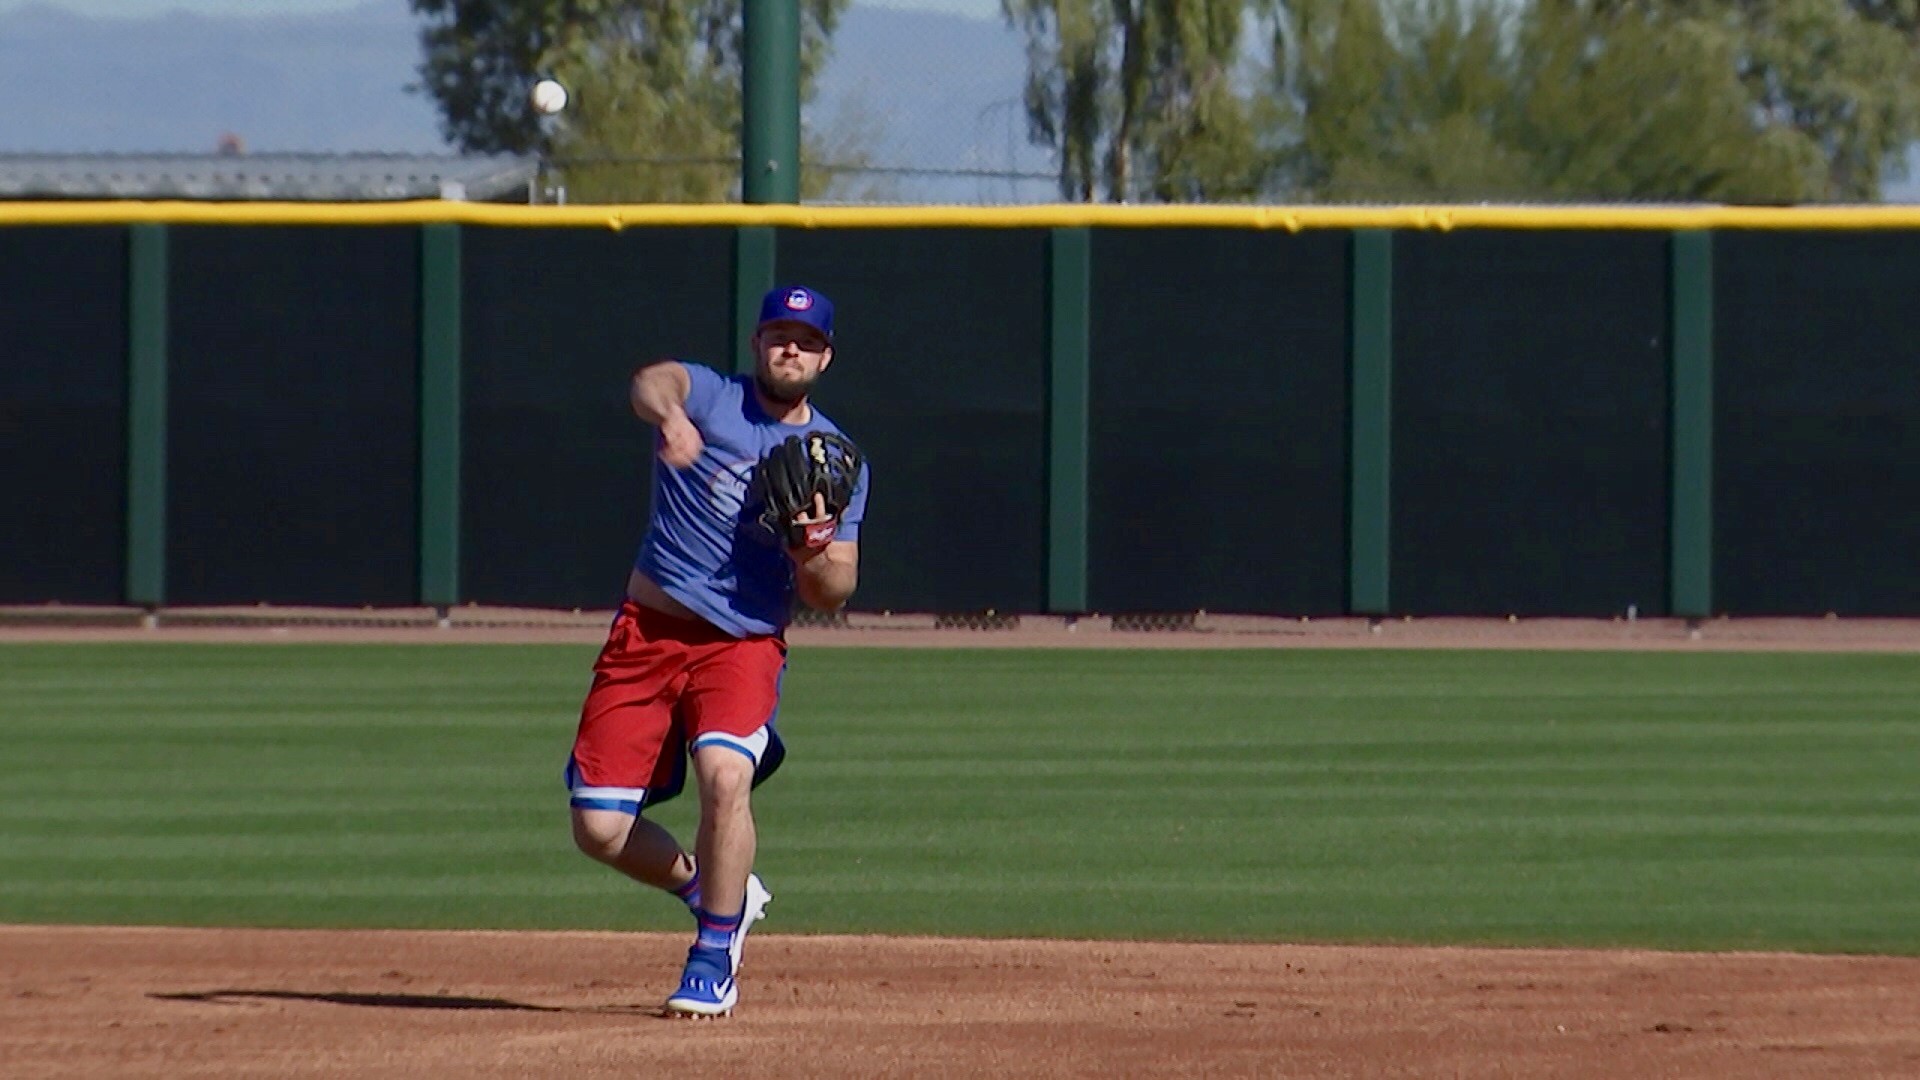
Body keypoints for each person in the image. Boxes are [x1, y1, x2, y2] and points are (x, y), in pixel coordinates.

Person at [563, 284, 869, 1018]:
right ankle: (710, 888)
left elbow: (834, 590)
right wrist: (670, 415)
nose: (788, 347)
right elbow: (651, 380)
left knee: (725, 777)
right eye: (776, 334)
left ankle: (713, 953)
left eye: (804, 338)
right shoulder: (710, 397)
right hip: (647, 634)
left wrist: (813, 550)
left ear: (825, 356)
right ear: (758, 343)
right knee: (599, 830)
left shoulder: (837, 459)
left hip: (742, 643)